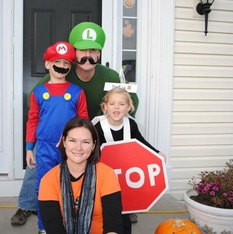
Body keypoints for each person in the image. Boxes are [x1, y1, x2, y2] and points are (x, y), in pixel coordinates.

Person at [11, 21, 139, 226]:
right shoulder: (62, 70)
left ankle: (123, 205)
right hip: (59, 130)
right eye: (82, 50)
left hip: (97, 126)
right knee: (36, 162)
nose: (87, 55)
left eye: (93, 50)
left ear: (99, 54)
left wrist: (112, 121)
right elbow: (35, 102)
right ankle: (27, 204)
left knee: (113, 156)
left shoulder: (111, 76)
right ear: (74, 54)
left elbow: (132, 100)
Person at [25, 41, 89, 234]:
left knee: (71, 185)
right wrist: (29, 147)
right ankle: (45, 227)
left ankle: (70, 223)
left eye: (66, 63)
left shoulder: (77, 92)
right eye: (57, 61)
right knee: (43, 186)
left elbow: (83, 121)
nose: (61, 66)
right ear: (47, 64)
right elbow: (32, 120)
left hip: (70, 149)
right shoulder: (39, 92)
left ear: (70, 67)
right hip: (44, 148)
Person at [92, 87, 167, 234]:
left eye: (121, 104)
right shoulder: (98, 126)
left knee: (125, 211)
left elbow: (141, 143)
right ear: (105, 106)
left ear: (128, 107)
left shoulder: (131, 125)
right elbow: (92, 148)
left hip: (126, 177)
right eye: (112, 103)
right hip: (105, 176)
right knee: (107, 211)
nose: (116, 107)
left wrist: (157, 153)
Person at [38, 117, 123, 234]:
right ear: (64, 142)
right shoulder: (48, 180)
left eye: (86, 142)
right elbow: (53, 228)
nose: (78, 148)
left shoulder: (106, 174)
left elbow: (113, 223)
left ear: (93, 145)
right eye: (72, 140)